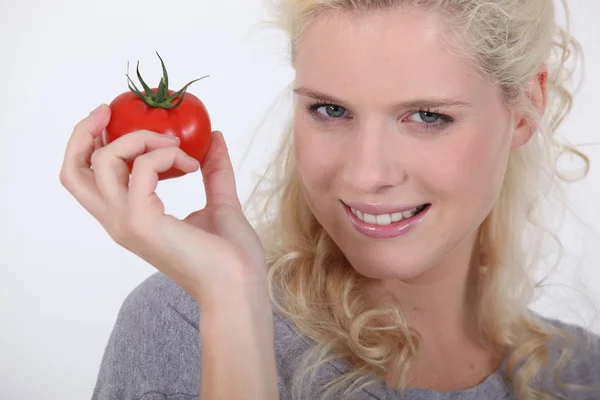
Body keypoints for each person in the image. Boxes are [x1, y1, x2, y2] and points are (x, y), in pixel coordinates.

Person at [60, 0, 600, 399]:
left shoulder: (581, 372)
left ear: (527, 105)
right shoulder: (186, 323)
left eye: (428, 116)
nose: (366, 174)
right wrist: (232, 310)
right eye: (330, 111)